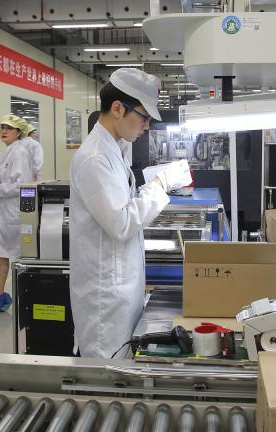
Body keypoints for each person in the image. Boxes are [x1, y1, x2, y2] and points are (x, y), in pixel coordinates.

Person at [69, 68, 192, 358]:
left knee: (122, 373)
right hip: (105, 299)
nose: (146, 126)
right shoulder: (95, 157)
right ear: (117, 108)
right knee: (107, 378)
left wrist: (154, 181)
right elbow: (121, 223)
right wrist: (161, 184)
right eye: (143, 117)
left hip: (120, 290)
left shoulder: (115, 148)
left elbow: (123, 201)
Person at [0, 115, 33, 313]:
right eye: (1, 127)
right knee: (3, 253)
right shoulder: (9, 151)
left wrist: (0, 188)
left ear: (18, 132)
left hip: (14, 214)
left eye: (8, 128)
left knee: (15, 256)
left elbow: (22, 184)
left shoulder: (19, 153)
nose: (3, 131)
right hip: (7, 213)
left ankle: (21, 296)